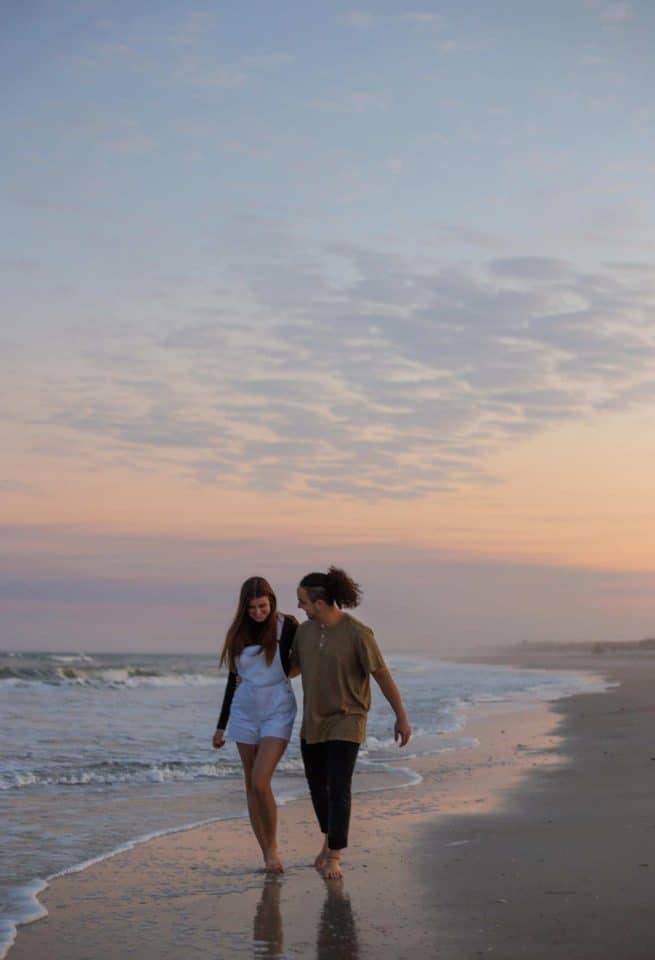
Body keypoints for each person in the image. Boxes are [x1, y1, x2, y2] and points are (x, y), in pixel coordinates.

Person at [292, 566, 411, 880]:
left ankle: (334, 854)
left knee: (338, 788)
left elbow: (381, 674)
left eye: (302, 601)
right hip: (313, 721)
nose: (300, 607)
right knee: (317, 787)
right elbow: (291, 670)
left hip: (348, 718)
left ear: (319, 602)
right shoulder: (304, 633)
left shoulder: (358, 633)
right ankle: (330, 838)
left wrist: (401, 715)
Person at [212, 576, 298, 873]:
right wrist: (221, 725)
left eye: (262, 606)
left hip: (278, 710)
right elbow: (231, 682)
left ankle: (273, 845)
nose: (258, 612)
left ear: (272, 601)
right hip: (245, 712)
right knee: (250, 784)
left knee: (261, 781)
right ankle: (267, 854)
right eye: (251, 608)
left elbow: (302, 660)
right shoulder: (238, 633)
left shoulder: (287, 625)